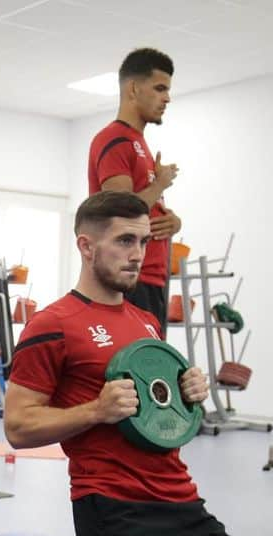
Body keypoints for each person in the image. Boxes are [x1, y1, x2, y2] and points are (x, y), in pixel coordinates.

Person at [5, 191, 273, 536]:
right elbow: (18, 427)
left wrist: (188, 395)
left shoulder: (146, 322)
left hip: (181, 503)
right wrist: (95, 409)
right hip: (115, 509)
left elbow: (160, 422)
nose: (139, 254)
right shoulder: (52, 324)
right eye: (125, 241)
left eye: (144, 242)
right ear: (86, 246)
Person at [87, 47, 182, 335]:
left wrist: (174, 222)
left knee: (152, 375)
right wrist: (160, 184)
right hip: (128, 281)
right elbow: (121, 211)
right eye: (159, 88)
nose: (167, 98)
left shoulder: (137, 142)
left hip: (151, 280)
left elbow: (143, 210)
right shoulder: (114, 139)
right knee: (135, 375)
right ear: (133, 89)